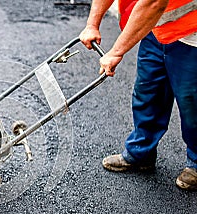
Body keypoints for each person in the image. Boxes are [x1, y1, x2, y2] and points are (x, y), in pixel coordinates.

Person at [79, 0, 197, 190]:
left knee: (191, 101)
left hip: (192, 35)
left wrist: (116, 52)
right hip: (156, 28)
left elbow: (154, 2)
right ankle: (141, 152)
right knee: (148, 92)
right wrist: (92, 24)